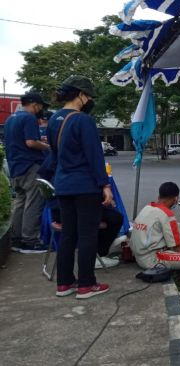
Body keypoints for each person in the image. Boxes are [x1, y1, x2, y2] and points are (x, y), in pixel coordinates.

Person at [49, 75, 112, 299]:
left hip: (62, 185)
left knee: (68, 235)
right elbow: (94, 155)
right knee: (87, 235)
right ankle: (86, 284)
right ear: (80, 95)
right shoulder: (83, 120)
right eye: (89, 96)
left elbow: (54, 157)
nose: (89, 100)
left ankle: (64, 283)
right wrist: (104, 184)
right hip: (84, 186)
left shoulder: (53, 119)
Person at [4, 91, 50, 253]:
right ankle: (30, 240)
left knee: (20, 202)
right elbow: (30, 142)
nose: (40, 109)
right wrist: (47, 147)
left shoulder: (10, 119)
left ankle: (16, 240)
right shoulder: (29, 118)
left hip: (15, 166)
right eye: (40, 106)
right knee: (34, 202)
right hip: (30, 165)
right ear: (34, 104)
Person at [131, 182, 180, 276]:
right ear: (175, 199)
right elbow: (178, 246)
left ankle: (179, 266)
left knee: (178, 226)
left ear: (159, 195)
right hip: (153, 260)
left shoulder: (147, 208)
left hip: (139, 256)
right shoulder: (167, 215)